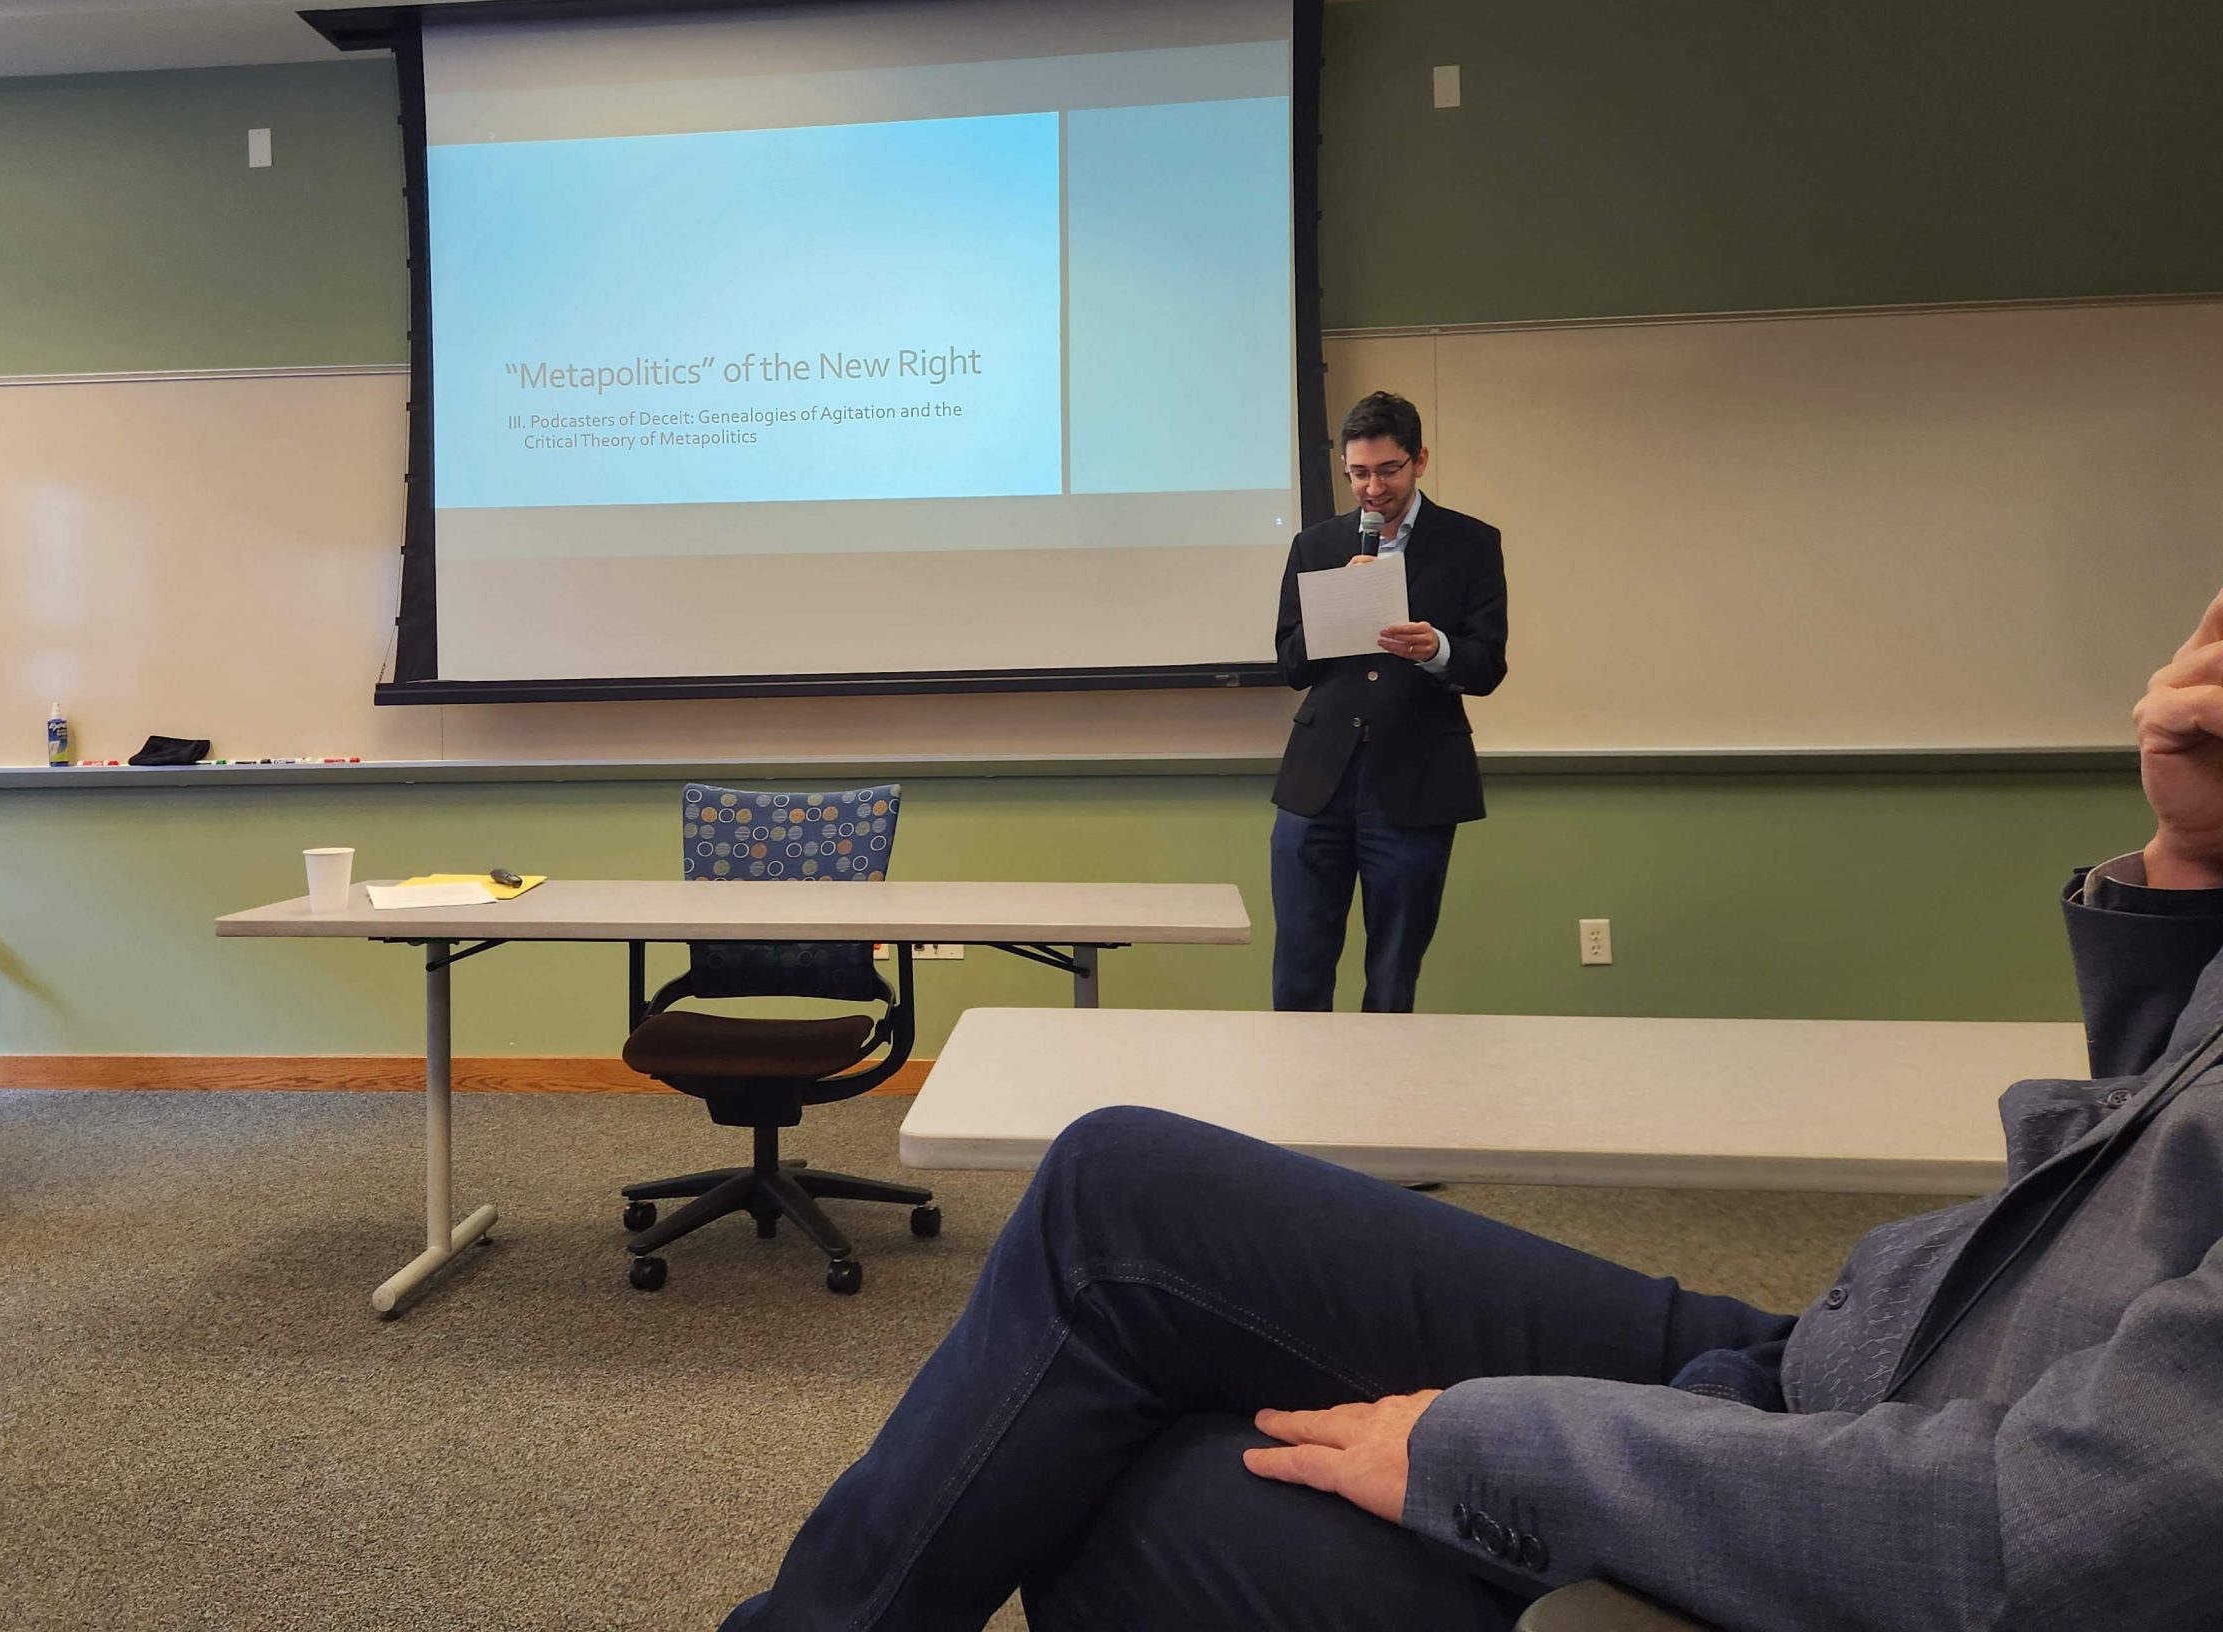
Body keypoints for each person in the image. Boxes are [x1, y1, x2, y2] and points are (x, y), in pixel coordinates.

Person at [724, 587, 2223, 1631]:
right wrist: (2192, 871)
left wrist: (1487, 1447)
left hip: (1892, 1468)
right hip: (1848, 1361)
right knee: (1116, 1188)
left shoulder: (1461, 548)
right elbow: (2135, 1156)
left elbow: (2039, 1543)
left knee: (1156, 1492)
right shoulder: (1321, 548)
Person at [1270, 391, 1507, 1013]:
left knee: (1394, 971)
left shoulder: (1470, 543)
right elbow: (1290, 664)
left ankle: (1381, 1080)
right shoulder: (1316, 545)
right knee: (1299, 962)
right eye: (1358, 473)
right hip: (1318, 781)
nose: (1372, 488)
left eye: (1387, 470)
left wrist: (1437, 649)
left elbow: (1487, 665)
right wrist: (1335, 609)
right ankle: (1295, 1076)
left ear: (1419, 460)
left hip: (1416, 780)